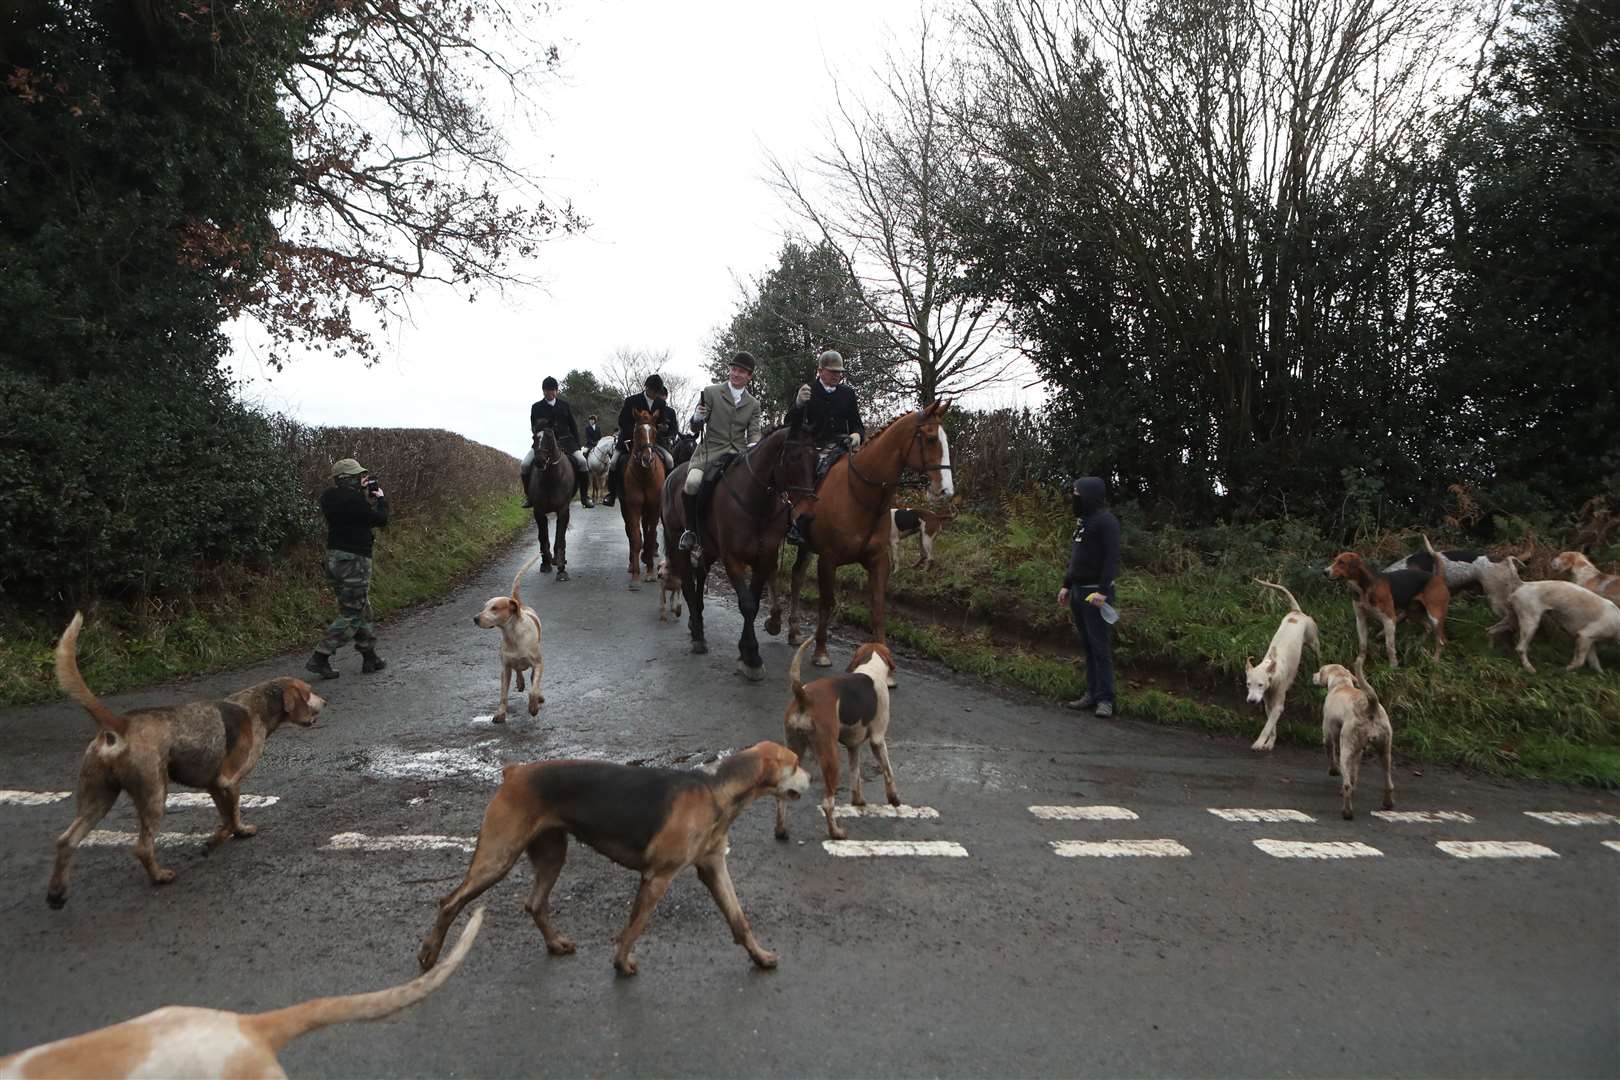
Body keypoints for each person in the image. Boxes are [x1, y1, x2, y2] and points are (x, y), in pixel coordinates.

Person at [306, 458, 390, 680]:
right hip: (355, 560)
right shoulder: (354, 500)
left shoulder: (328, 497)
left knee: (362, 609)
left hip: (335, 558)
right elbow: (379, 520)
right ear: (348, 478)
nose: (362, 479)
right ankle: (320, 656)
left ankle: (370, 656)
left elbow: (353, 516)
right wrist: (381, 501)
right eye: (358, 476)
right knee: (352, 613)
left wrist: (364, 497)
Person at [678, 351, 761, 555]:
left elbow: (754, 432)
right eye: (733, 369)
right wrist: (696, 418)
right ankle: (690, 530)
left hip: (738, 454)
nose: (736, 374)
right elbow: (696, 428)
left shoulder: (753, 404)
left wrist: (754, 447)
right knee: (692, 483)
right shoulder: (711, 392)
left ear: (749, 376)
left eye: (741, 371)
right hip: (711, 451)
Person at [783, 348, 865, 546]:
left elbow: (857, 423)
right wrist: (798, 404)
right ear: (820, 371)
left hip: (841, 445)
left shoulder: (848, 394)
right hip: (813, 447)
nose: (837, 375)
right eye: (832, 372)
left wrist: (856, 435)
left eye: (839, 372)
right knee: (814, 474)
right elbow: (789, 423)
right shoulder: (808, 391)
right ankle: (799, 523)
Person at [1056, 476, 1121, 717]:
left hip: (1096, 595)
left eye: (1077, 492)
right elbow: (1076, 558)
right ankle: (1091, 694)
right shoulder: (1083, 522)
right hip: (1077, 592)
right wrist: (1066, 584)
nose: (1074, 496)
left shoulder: (1106, 522)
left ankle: (1106, 700)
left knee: (1099, 647)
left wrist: (1103, 591)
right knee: (1088, 646)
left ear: (1090, 494)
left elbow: (1111, 558)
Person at [602, 373, 679, 507]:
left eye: (657, 392)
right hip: (629, 440)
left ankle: (668, 494)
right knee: (614, 462)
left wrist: (663, 427)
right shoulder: (632, 400)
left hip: (653, 441)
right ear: (647, 388)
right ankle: (612, 494)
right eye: (654, 391)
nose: (655, 394)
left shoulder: (661, 403)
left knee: (670, 460)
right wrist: (636, 432)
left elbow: (663, 421)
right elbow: (622, 421)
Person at [521, 376, 592, 508]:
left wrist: (577, 444)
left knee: (582, 462)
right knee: (525, 465)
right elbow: (534, 428)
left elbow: (573, 426)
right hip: (543, 443)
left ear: (557, 391)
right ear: (543, 391)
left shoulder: (564, 405)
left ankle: (584, 496)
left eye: (553, 390)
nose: (551, 393)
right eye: (548, 390)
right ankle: (529, 497)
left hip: (566, 442)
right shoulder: (536, 407)